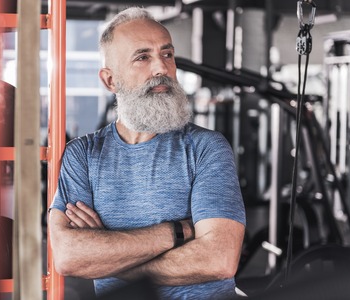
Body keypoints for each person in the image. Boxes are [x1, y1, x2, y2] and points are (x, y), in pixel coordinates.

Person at [49, 7, 246, 300]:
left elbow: (218, 259)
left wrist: (108, 259)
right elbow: (68, 256)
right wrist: (174, 233)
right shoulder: (83, 154)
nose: (161, 69)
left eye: (167, 54)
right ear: (110, 80)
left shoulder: (207, 148)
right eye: (143, 57)